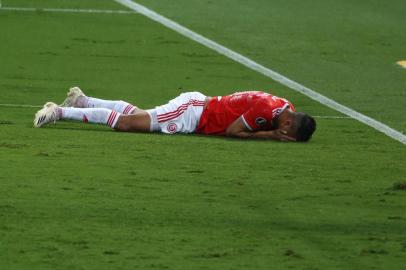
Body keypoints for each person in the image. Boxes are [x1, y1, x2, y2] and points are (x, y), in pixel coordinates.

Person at [34, 87, 316, 142]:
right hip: (193, 112)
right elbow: (233, 132)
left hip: (196, 109)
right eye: (286, 133)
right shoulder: (266, 113)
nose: (283, 135)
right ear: (288, 122)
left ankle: (82, 100)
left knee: (138, 117)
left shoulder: (284, 105)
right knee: (128, 126)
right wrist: (269, 136)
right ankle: (60, 111)